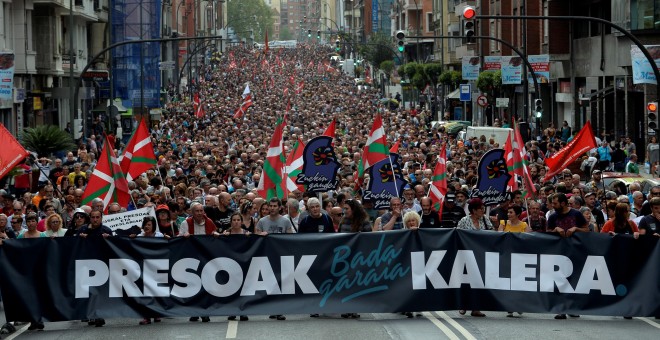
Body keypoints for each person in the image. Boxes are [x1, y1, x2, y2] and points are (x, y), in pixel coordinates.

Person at [547, 193, 589, 320]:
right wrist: (555, 230)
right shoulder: (553, 216)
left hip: (575, 252)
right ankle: (561, 309)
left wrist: (576, 228)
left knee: (573, 281)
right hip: (558, 253)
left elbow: (587, 229)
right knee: (560, 281)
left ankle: (572, 308)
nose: (553, 206)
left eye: (555, 203)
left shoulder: (576, 214)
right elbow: (547, 232)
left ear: (563, 203)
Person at [255, 197, 293, 320]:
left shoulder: (286, 221)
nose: (272, 208)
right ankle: (273, 308)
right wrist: (261, 235)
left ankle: (280, 309)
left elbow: (290, 238)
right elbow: (255, 237)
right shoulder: (261, 221)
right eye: (270, 206)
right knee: (270, 283)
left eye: (274, 206)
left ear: (280, 207)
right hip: (266, 256)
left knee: (281, 283)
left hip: (281, 256)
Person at [224, 213, 250, 322]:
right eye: (234, 220)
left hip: (243, 264)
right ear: (231, 222)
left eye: (238, 220)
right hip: (230, 265)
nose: (236, 222)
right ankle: (232, 311)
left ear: (241, 221)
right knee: (231, 289)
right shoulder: (226, 233)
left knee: (243, 289)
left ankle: (243, 312)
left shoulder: (247, 233)